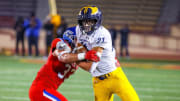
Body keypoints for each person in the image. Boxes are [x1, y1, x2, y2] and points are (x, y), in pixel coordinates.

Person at [74, 5, 140, 101]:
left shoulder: (102, 34)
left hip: (114, 76)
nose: (86, 25)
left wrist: (73, 59)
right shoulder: (78, 30)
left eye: (90, 21)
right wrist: (80, 52)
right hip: (98, 80)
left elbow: (91, 67)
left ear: (97, 21)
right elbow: (81, 46)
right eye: (83, 21)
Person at [29, 37, 100, 101]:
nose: (82, 44)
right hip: (41, 89)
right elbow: (62, 56)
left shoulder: (76, 57)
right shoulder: (60, 44)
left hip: (49, 90)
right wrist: (84, 55)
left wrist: (95, 57)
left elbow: (90, 68)